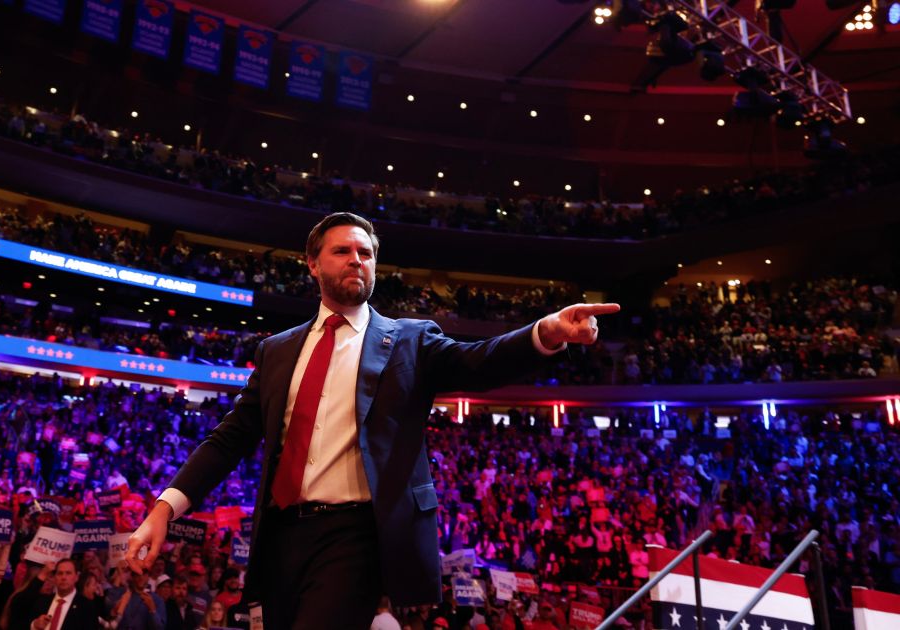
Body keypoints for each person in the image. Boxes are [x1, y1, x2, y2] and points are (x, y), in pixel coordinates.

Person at [127, 212, 620, 628]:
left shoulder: (410, 340)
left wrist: (545, 333)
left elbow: (479, 361)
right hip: (280, 535)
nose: (357, 260)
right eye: (342, 251)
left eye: (366, 253)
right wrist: (163, 509)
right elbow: (229, 439)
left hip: (356, 534)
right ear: (312, 264)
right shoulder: (277, 351)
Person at [32, 558, 103, 630]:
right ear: (54, 577)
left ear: (76, 577)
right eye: (60, 573)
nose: (63, 577)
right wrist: (34, 625)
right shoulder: (42, 602)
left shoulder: (87, 607)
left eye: (68, 573)